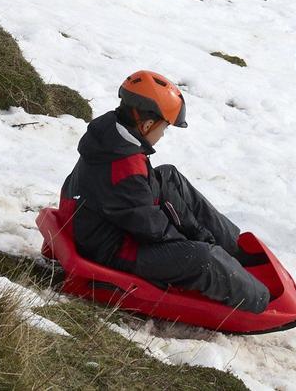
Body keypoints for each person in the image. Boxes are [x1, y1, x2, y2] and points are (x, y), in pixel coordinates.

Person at [60, 70, 270, 313]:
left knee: (169, 176)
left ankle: (234, 250)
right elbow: (153, 231)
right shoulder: (124, 167)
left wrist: (202, 235)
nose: (162, 134)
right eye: (164, 127)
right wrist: (195, 246)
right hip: (109, 248)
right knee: (201, 257)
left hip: (99, 223)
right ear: (147, 124)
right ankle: (261, 302)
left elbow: (142, 209)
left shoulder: (114, 133)